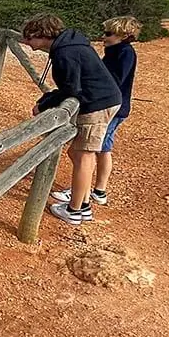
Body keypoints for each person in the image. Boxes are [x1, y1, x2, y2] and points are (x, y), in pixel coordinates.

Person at [19, 13, 121, 225]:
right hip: (103, 100)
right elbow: (70, 86)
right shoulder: (69, 45)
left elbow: (71, 89)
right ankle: (82, 202)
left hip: (97, 104)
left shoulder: (65, 53)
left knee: (84, 155)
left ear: (41, 34)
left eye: (29, 38)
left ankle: (76, 210)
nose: (26, 42)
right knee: (78, 152)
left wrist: (44, 104)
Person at [51, 16, 139, 211]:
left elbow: (114, 80)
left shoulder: (124, 53)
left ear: (124, 35)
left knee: (92, 151)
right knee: (100, 149)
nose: (104, 37)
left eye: (109, 34)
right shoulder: (115, 51)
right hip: (115, 106)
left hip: (112, 108)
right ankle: (92, 190)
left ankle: (89, 192)